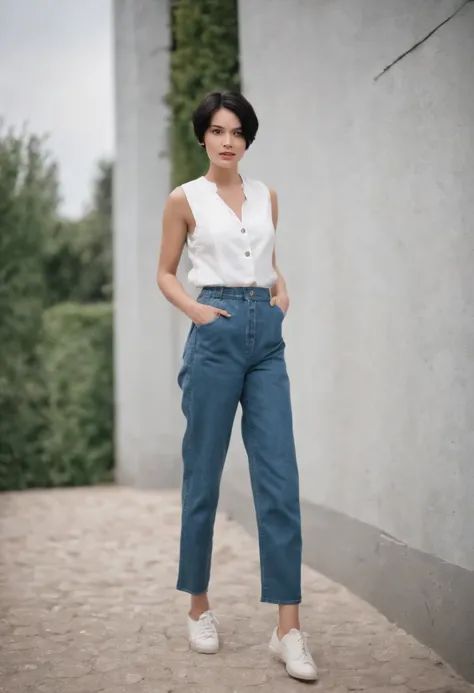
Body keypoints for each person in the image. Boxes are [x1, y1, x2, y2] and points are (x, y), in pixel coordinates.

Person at [157, 91, 318, 682]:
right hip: (216, 332)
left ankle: (289, 629)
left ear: (248, 139)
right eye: (218, 130)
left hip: (265, 339)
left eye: (238, 132)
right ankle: (198, 606)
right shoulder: (185, 199)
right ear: (203, 136)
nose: (228, 141)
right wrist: (198, 314)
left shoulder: (266, 195)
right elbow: (165, 273)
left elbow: (266, 258)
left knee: (279, 479)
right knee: (203, 475)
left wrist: (280, 291)